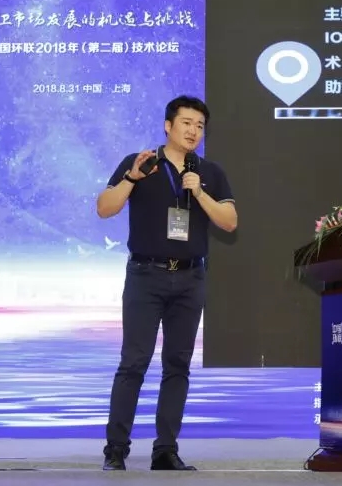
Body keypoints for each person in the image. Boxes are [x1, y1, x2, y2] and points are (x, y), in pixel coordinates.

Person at [96, 95, 237, 471]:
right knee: (134, 362)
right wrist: (131, 179)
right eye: (186, 123)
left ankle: (165, 449)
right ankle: (116, 449)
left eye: (200, 126)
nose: (193, 131)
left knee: (178, 364)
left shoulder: (209, 172)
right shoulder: (141, 163)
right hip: (146, 275)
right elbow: (105, 208)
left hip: (191, 278)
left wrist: (199, 191)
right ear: (168, 126)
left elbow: (229, 221)